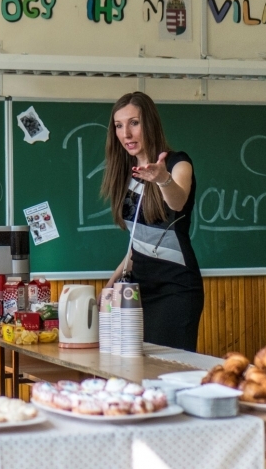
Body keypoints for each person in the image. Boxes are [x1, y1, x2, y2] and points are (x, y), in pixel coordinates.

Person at [101, 91, 205, 352]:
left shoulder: (178, 163)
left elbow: (177, 202)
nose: (126, 134)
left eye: (134, 123)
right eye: (119, 126)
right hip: (135, 291)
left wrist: (162, 179)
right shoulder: (126, 173)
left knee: (167, 373)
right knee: (134, 371)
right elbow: (138, 244)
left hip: (176, 290)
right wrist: (109, 285)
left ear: (150, 124)